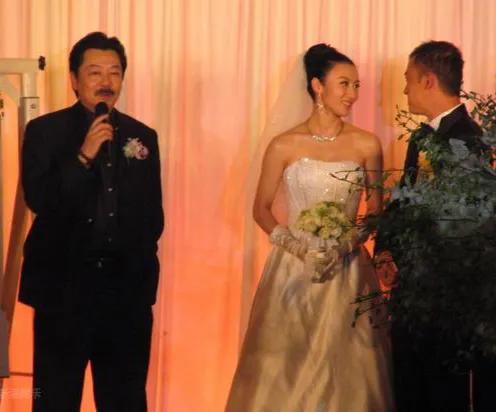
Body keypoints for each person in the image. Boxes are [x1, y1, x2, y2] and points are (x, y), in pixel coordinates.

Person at [226, 43, 394, 412]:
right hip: (293, 269)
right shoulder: (284, 145)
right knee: (287, 365)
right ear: (318, 86)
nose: (352, 94)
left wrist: (346, 244)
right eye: (344, 84)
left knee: (348, 367)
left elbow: (376, 211)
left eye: (356, 85)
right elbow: (261, 209)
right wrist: (298, 247)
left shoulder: (366, 144)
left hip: (348, 268)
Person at [19, 32, 164, 412]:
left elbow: (153, 216)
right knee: (55, 398)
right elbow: (40, 200)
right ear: (74, 79)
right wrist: (83, 156)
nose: (106, 81)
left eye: (114, 72)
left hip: (125, 294)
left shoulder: (142, 136)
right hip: (64, 289)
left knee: (125, 400)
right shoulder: (44, 132)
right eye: (95, 72)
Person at [377, 40, 489, 412]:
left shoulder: (469, 140)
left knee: (440, 391)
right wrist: (385, 249)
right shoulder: (422, 137)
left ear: (427, 81)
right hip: (412, 290)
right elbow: (403, 197)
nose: (404, 89)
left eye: (408, 80)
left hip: (444, 294)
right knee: (408, 385)